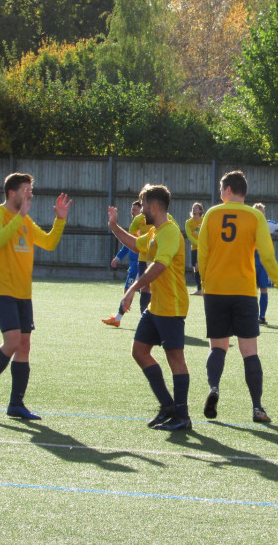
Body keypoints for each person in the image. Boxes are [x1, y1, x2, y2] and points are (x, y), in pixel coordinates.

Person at [0, 173, 72, 420]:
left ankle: (15, 404)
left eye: (31, 189)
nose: (30, 194)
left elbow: (49, 243)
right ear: (11, 193)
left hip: (23, 292)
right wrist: (20, 217)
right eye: (25, 189)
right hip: (0, 289)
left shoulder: (26, 221)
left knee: (24, 345)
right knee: (13, 342)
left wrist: (59, 220)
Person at [197, 170, 278, 423]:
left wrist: (205, 283)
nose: (219, 193)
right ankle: (257, 408)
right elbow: (267, 255)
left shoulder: (212, 214)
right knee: (249, 351)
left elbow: (202, 254)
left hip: (216, 291)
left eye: (220, 189)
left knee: (218, 347)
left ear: (227, 191)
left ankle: (214, 388)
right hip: (245, 292)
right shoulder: (255, 216)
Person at [107, 184, 192, 430]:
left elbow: (160, 266)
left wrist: (132, 289)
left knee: (175, 358)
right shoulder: (155, 232)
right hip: (156, 306)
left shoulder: (169, 232)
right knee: (139, 351)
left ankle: (182, 416)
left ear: (153, 206)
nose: (141, 210)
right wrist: (114, 226)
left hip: (172, 306)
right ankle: (168, 406)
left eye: (143, 205)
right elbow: (136, 244)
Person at [128, 203, 177, 314]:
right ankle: (144, 314)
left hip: (159, 258)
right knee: (145, 287)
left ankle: (160, 313)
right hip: (143, 258)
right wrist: (141, 240)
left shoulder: (168, 219)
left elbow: (175, 231)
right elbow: (131, 232)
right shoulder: (139, 219)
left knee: (159, 287)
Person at [102, 200, 142, 327]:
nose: (132, 210)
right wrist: (118, 257)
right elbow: (127, 243)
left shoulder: (143, 226)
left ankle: (119, 318)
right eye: (132, 208)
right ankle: (119, 318)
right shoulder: (134, 225)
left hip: (139, 264)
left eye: (135, 209)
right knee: (133, 291)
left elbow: (136, 244)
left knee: (132, 291)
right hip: (134, 264)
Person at [185, 202, 204, 295]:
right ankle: (199, 289)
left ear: (200, 210)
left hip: (203, 248)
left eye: (196, 208)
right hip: (194, 248)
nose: (194, 209)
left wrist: (202, 245)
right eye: (193, 208)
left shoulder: (204, 220)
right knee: (196, 268)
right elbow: (189, 236)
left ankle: (202, 288)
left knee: (199, 267)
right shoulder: (188, 223)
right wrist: (198, 244)